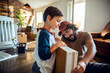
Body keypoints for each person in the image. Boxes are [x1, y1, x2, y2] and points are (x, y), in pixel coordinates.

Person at [32, 6, 66, 73]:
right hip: (40, 69)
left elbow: (47, 43)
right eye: (58, 21)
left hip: (42, 67)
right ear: (49, 18)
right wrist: (57, 45)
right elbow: (44, 55)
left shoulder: (46, 33)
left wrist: (55, 40)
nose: (59, 24)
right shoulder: (44, 33)